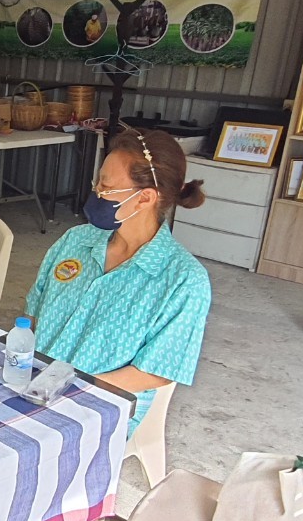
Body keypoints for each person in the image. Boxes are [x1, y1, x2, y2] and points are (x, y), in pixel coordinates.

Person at [27, 125, 210, 436]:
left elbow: (152, 372)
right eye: (98, 182)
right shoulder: (76, 241)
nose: (97, 193)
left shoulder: (183, 280)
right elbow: (33, 313)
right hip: (32, 384)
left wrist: (67, 390)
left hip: (98, 407)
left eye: (106, 187)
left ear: (144, 199)